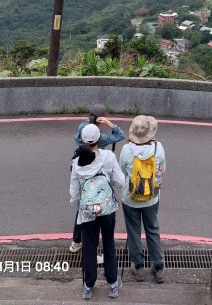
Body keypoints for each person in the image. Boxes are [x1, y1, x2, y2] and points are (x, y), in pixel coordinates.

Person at [70, 123, 124, 299]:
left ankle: (88, 286)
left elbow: (74, 193)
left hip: (87, 213)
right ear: (99, 139)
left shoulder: (77, 162)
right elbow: (120, 181)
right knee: (108, 244)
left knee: (89, 246)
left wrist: (80, 207)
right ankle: (113, 284)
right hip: (107, 209)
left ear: (82, 140)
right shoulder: (108, 156)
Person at [71, 105, 126, 254]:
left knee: (82, 208)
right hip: (97, 178)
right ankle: (94, 252)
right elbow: (121, 136)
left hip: (80, 167)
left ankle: (76, 242)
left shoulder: (82, 127)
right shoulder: (100, 138)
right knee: (96, 208)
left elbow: (74, 193)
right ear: (101, 119)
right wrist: (111, 125)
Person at [119, 115, 166, 283]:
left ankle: (138, 266)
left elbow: (123, 172)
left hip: (130, 198)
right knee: (152, 229)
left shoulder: (126, 150)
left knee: (134, 231)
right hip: (152, 197)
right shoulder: (158, 148)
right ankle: (158, 267)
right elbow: (161, 171)